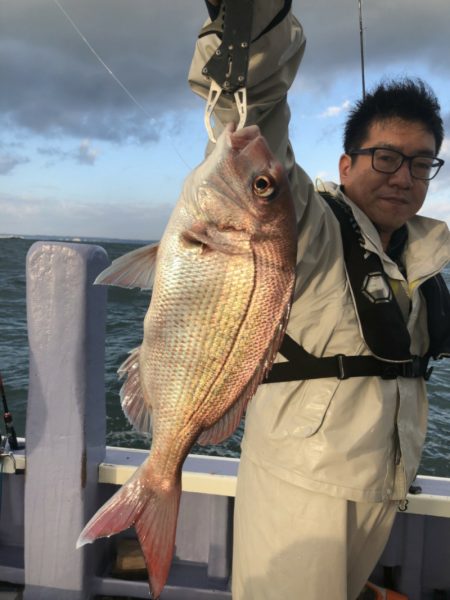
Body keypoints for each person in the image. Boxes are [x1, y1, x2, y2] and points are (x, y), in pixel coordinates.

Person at [189, 1, 450, 598]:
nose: (403, 176)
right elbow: (255, 123)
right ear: (346, 163)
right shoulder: (307, 222)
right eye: (385, 157)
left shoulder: (424, 257)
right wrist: (254, 22)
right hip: (300, 490)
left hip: (381, 489)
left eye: (420, 163)